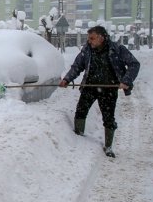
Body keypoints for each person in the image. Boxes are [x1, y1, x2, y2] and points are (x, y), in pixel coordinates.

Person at [59, 25, 140, 157]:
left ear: (102, 37)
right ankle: (78, 137)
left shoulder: (117, 49)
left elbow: (134, 64)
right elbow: (77, 66)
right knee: (81, 111)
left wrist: (126, 81)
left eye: (92, 38)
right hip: (90, 87)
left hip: (109, 89)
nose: (89, 41)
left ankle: (108, 147)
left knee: (108, 118)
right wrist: (67, 79)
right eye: (88, 38)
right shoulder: (87, 50)